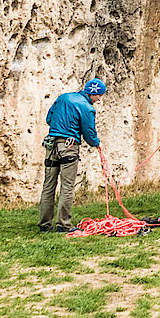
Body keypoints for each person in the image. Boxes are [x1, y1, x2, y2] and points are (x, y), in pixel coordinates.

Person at [39, 78, 105, 233]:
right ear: (92, 93)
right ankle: (63, 225)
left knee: (48, 185)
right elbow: (89, 133)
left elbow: (49, 119)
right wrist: (97, 143)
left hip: (51, 144)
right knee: (67, 186)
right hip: (68, 147)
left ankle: (44, 225)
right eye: (99, 95)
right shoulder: (87, 107)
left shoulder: (63, 98)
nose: (100, 99)